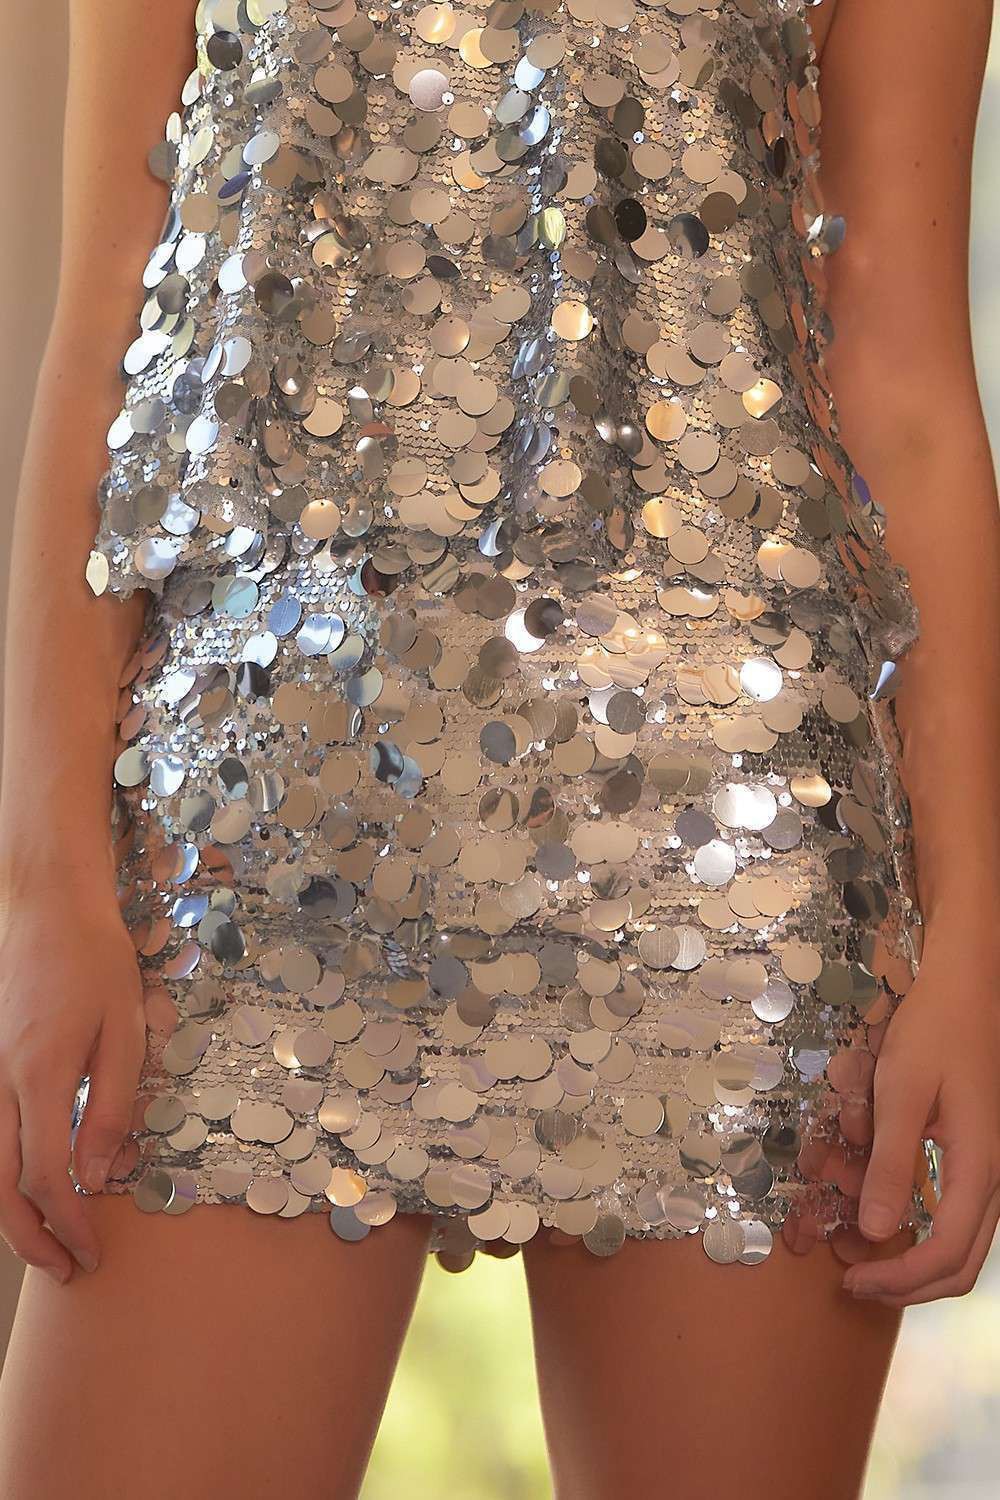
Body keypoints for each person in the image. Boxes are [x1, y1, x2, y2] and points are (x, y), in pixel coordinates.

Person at [0, 0, 997, 1494]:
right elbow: (103, 330)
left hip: (739, 860)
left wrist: (974, 930)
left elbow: (905, 372)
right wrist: (44, 885)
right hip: (237, 851)